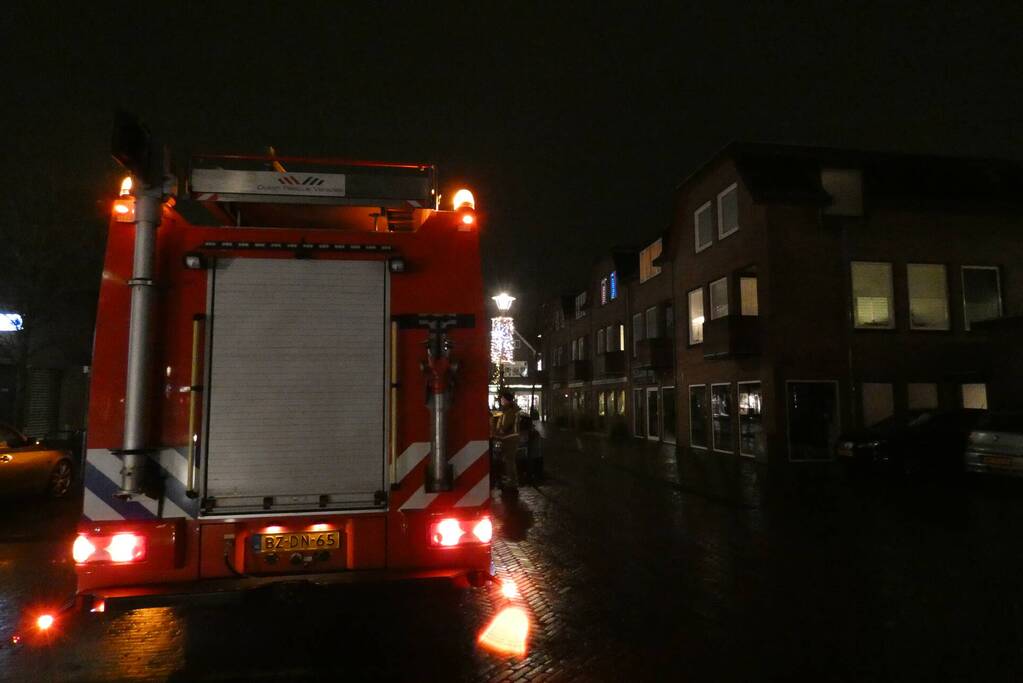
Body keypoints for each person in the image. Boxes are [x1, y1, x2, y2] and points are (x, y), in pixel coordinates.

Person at [492, 389, 521, 491]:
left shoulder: (510, 411)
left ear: (507, 400)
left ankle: (512, 482)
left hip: (510, 439)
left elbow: (505, 426)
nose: (501, 400)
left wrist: (496, 433)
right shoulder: (508, 410)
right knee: (508, 461)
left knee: (510, 461)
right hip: (508, 438)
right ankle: (510, 480)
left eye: (502, 399)